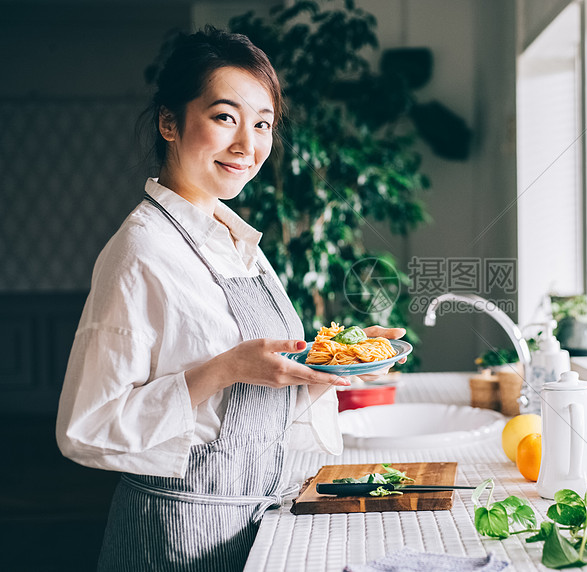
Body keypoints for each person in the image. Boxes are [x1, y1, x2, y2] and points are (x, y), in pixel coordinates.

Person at [56, 27, 406, 571]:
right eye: (225, 117)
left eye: (263, 124)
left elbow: (255, 372)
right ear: (169, 122)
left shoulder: (234, 239)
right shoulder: (141, 250)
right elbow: (88, 426)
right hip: (177, 539)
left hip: (254, 524)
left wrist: (337, 356)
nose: (248, 145)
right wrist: (223, 370)